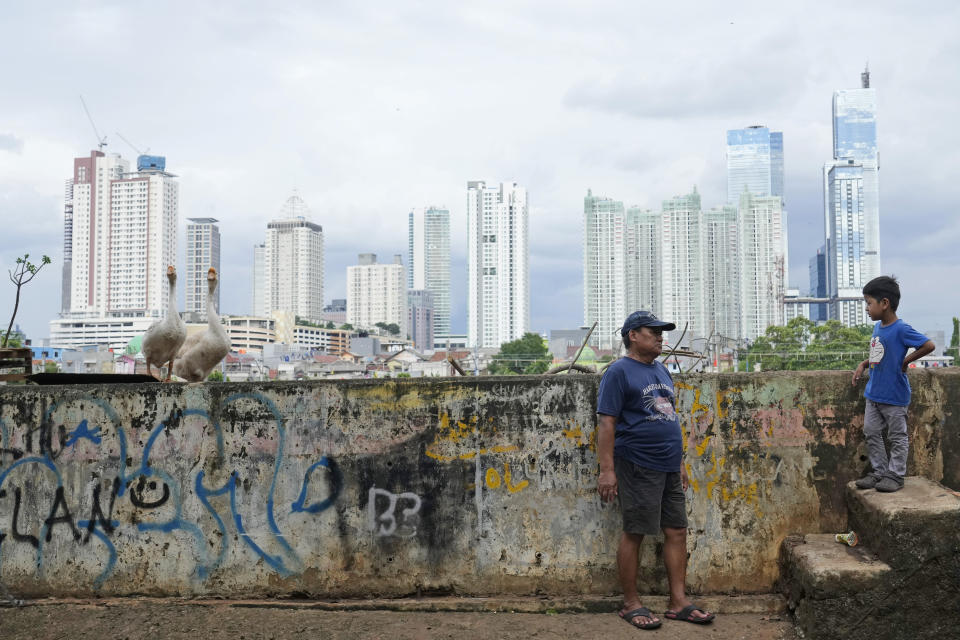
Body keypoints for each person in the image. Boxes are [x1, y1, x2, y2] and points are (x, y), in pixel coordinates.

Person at [596, 310, 715, 629]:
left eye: (662, 332)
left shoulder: (662, 370)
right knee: (635, 531)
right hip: (636, 462)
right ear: (633, 335)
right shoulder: (618, 372)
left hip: (668, 465)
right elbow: (607, 421)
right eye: (654, 332)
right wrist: (607, 470)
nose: (661, 337)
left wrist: (679, 463)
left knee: (676, 530)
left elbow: (669, 417)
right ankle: (631, 603)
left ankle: (679, 602)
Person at [852, 276, 935, 493]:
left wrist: (906, 361)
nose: (867, 308)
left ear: (885, 303)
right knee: (871, 432)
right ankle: (879, 471)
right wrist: (864, 364)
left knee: (897, 436)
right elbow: (880, 355)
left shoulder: (901, 329)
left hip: (894, 396)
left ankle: (896, 475)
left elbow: (929, 345)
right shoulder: (878, 328)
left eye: (869, 303)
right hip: (874, 394)